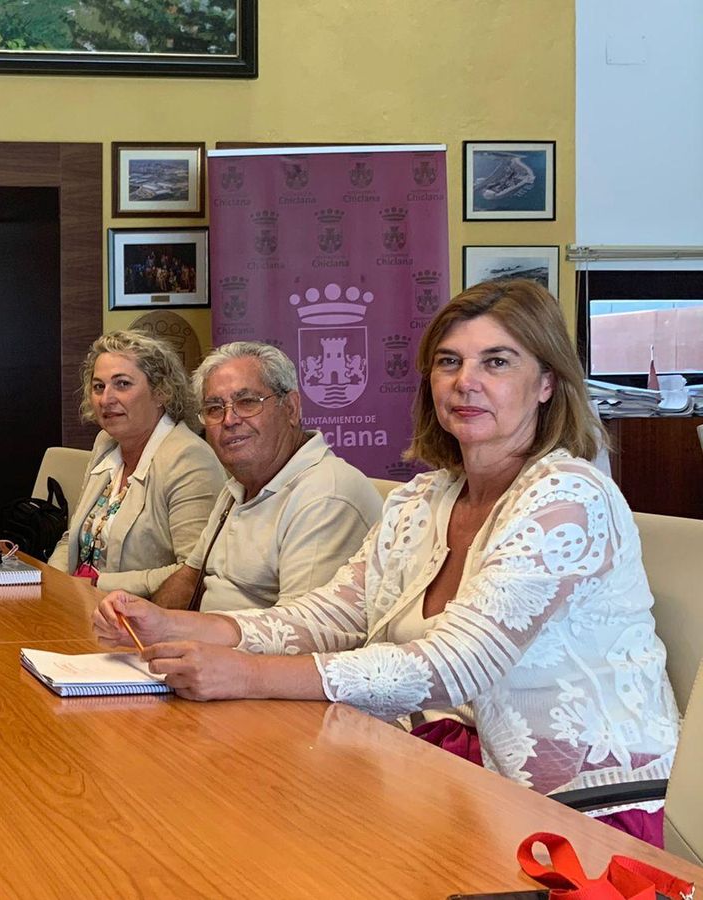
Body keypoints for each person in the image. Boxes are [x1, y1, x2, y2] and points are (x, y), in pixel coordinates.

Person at [95, 280, 678, 845]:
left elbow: (456, 665)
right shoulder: (423, 499)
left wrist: (243, 672)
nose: (465, 383)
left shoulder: (568, 495)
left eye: (496, 363)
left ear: (547, 382)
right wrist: (179, 625)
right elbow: (332, 614)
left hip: (578, 816)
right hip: (447, 771)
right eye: (449, 363)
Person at [143, 341, 383, 612]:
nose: (229, 420)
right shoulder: (238, 486)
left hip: (244, 651)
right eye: (214, 408)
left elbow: (300, 635)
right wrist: (144, 627)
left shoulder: (327, 494)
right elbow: (189, 579)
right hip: (206, 646)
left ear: (291, 408)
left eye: (246, 403)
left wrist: (183, 635)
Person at [48, 330, 223, 595]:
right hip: (81, 605)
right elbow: (73, 537)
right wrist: (54, 581)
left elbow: (195, 572)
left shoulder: (189, 458)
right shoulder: (105, 442)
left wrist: (96, 585)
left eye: (122, 384)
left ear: (162, 391)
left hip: (144, 619)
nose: (106, 399)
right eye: (99, 386)